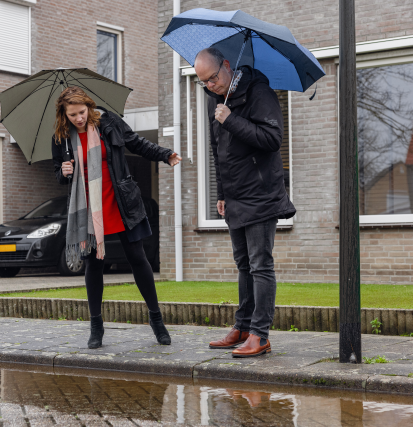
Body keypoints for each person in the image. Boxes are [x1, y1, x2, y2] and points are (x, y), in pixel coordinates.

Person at [52, 87, 182, 349]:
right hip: (88, 208)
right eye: (72, 115)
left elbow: (136, 143)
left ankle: (156, 319)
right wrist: (63, 171)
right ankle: (96, 327)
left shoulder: (108, 122)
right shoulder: (61, 138)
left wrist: (164, 154)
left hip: (120, 201)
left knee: (137, 258)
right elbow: (58, 174)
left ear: (88, 106)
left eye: (81, 112)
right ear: (64, 115)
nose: (78, 118)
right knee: (94, 265)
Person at [194, 47, 296, 357]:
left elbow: (272, 139)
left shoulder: (259, 92)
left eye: (212, 79)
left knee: (260, 265)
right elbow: (219, 153)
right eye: (204, 83)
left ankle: (260, 334)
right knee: (243, 265)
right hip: (236, 197)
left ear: (226, 65)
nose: (210, 87)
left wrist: (231, 120)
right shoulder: (219, 101)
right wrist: (221, 193)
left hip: (261, 194)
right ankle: (242, 326)